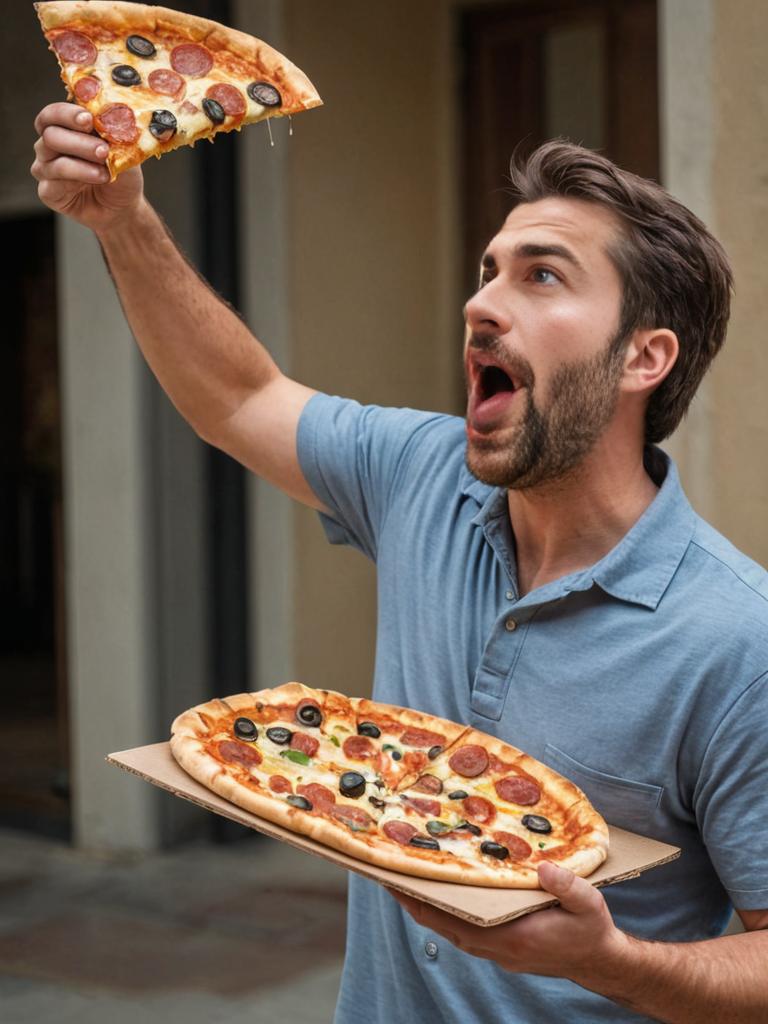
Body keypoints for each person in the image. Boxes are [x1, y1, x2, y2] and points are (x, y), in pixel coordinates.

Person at [31, 103, 768, 1023]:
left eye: (543, 277)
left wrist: (611, 961)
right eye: (488, 272)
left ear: (642, 357)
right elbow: (240, 395)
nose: (481, 303)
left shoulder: (739, 641)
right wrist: (124, 220)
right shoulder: (425, 475)